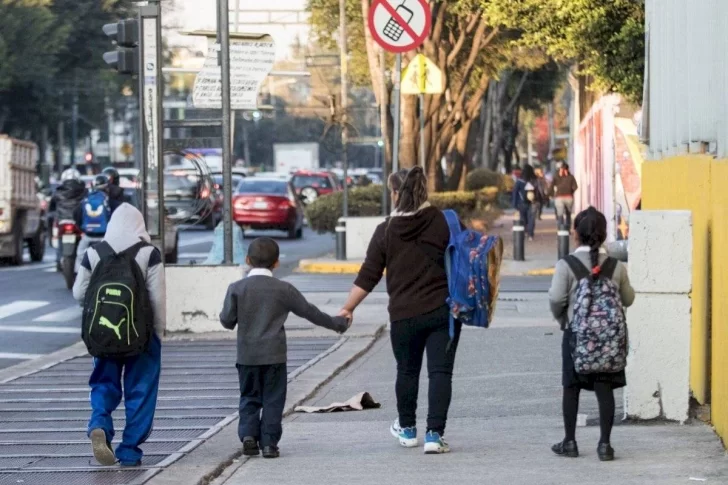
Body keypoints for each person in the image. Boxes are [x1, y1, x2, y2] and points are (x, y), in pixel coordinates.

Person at [338, 166, 462, 455]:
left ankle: (407, 429)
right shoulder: (444, 222)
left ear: (396, 193)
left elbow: (368, 275)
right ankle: (434, 435)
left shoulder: (386, 230)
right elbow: (466, 256)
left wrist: (347, 308)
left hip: (403, 316)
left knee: (407, 371)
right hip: (442, 312)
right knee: (440, 373)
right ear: (423, 191)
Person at [219, 237, 350, 459]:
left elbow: (227, 321)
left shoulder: (237, 288)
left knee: (249, 396)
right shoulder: (284, 289)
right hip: (274, 356)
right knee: (273, 399)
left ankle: (249, 437)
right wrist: (338, 323)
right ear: (277, 263)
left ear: (247, 260)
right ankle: (269, 443)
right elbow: (310, 312)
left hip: (247, 356)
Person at [72, 203, 166, 467]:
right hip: (141, 334)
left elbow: (79, 293)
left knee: (103, 382)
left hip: (103, 332)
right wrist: (158, 334)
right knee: (141, 389)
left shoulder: (94, 252)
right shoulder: (149, 253)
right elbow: (157, 298)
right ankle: (129, 450)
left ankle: (100, 422)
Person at [548, 207, 635, 461]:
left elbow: (556, 298)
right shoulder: (615, 266)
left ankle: (570, 442)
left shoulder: (567, 265)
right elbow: (628, 299)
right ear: (604, 234)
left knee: (571, 387)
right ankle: (605, 445)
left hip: (576, 337)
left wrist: (564, 319)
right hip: (608, 342)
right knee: (604, 388)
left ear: (575, 234)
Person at [50, 168, 87, 271]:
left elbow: (51, 206)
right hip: (78, 221)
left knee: (57, 237)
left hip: (62, 221)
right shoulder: (83, 190)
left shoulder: (58, 191)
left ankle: (58, 260)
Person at [75, 175, 112, 273]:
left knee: (80, 255)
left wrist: (83, 229)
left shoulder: (86, 199)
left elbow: (77, 215)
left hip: (88, 235)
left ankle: (79, 276)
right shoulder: (108, 200)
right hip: (104, 236)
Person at [511, 164, 541, 240]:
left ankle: (525, 232)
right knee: (531, 218)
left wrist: (514, 204)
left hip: (522, 203)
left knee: (523, 218)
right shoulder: (535, 180)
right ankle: (530, 235)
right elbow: (539, 191)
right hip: (533, 202)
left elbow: (515, 192)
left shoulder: (519, 181)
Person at [552, 163, 578, 230]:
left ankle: (561, 229)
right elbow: (575, 187)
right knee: (568, 214)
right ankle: (567, 229)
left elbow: (551, 186)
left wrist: (550, 194)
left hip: (559, 198)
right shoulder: (571, 177)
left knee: (560, 215)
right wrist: (570, 192)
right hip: (569, 197)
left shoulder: (556, 176)